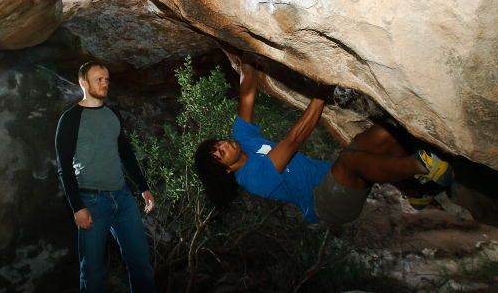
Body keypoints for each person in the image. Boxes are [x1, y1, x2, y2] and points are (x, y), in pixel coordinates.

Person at [194, 59, 453, 225]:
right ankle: (423, 166)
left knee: (383, 134)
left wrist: (245, 61)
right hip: (325, 205)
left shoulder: (242, 138)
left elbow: (248, 92)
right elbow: (293, 140)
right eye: (220, 153)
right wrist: (321, 94)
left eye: (219, 143)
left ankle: (415, 191)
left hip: (330, 176)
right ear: (227, 170)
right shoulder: (252, 178)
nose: (225, 144)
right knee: (349, 161)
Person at [55, 61, 157, 293]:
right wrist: (77, 207)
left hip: (122, 198)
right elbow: (64, 167)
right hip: (91, 202)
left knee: (141, 263)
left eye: (107, 79)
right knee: (92, 271)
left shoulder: (112, 114)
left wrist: (143, 187)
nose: (105, 83)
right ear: (83, 83)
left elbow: (126, 154)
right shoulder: (70, 119)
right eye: (98, 79)